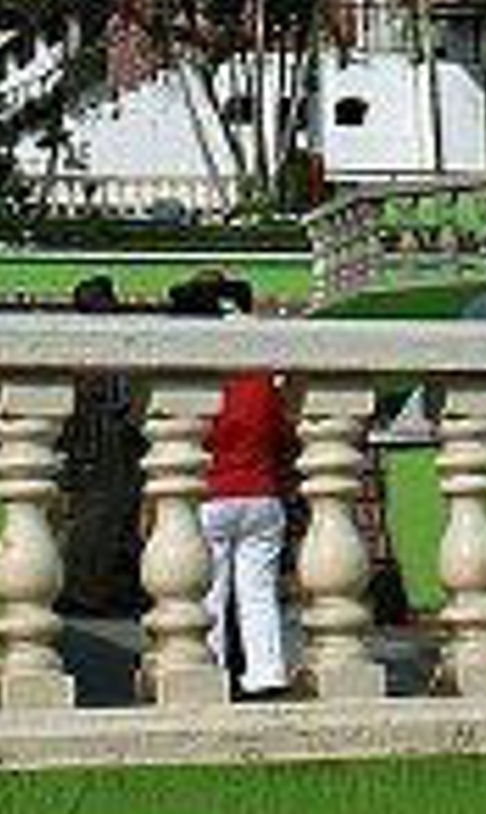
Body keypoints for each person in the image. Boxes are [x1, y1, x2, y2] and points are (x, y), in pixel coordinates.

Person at [188, 273, 296, 697]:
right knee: (258, 595)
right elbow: (282, 435)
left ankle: (211, 671)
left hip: (213, 493)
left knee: (210, 594)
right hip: (262, 494)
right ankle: (267, 672)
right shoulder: (263, 378)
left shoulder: (205, 378)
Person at [55, 275, 147, 617]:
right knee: (100, 522)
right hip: (105, 445)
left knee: (99, 522)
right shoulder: (114, 341)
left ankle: (97, 589)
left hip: (103, 445)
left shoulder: (87, 344)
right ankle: (96, 590)